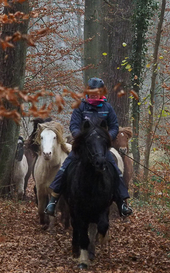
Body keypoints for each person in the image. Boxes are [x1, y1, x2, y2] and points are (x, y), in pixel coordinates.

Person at [44, 77, 133, 217]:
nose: (93, 94)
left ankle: (122, 202)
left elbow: (114, 126)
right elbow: (73, 125)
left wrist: (108, 137)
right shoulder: (81, 106)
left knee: (115, 169)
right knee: (66, 165)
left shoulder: (107, 108)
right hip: (83, 146)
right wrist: (81, 137)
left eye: (96, 91)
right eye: (91, 91)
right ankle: (53, 200)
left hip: (101, 147)